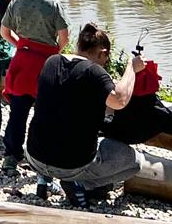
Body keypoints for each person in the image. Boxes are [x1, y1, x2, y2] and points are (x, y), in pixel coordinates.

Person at [25, 22, 147, 208]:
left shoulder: (52, 62)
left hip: (34, 155)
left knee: (55, 123)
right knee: (135, 163)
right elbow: (119, 100)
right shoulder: (94, 72)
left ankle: (45, 180)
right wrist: (131, 68)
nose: (105, 64)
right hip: (70, 165)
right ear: (102, 53)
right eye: (106, 59)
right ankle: (79, 182)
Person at [0, 0, 69, 174]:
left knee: (17, 113)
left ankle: (11, 157)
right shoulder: (53, 4)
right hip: (45, 64)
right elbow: (64, 37)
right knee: (44, 114)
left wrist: (20, 44)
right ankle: (40, 158)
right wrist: (55, 51)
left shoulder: (17, 1)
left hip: (22, 60)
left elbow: (4, 32)